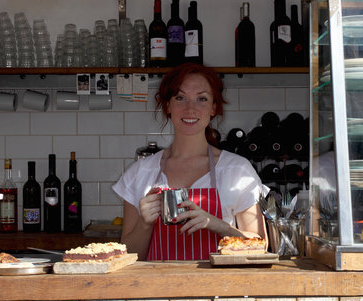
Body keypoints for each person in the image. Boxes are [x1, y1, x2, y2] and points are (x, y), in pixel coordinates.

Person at [112, 63, 268, 261]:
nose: (190, 108)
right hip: (157, 291)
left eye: (201, 99)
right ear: (168, 105)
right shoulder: (139, 173)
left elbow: (260, 247)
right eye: (180, 97)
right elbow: (126, 258)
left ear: (213, 108)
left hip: (219, 290)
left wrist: (217, 224)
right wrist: (144, 223)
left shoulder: (237, 170)